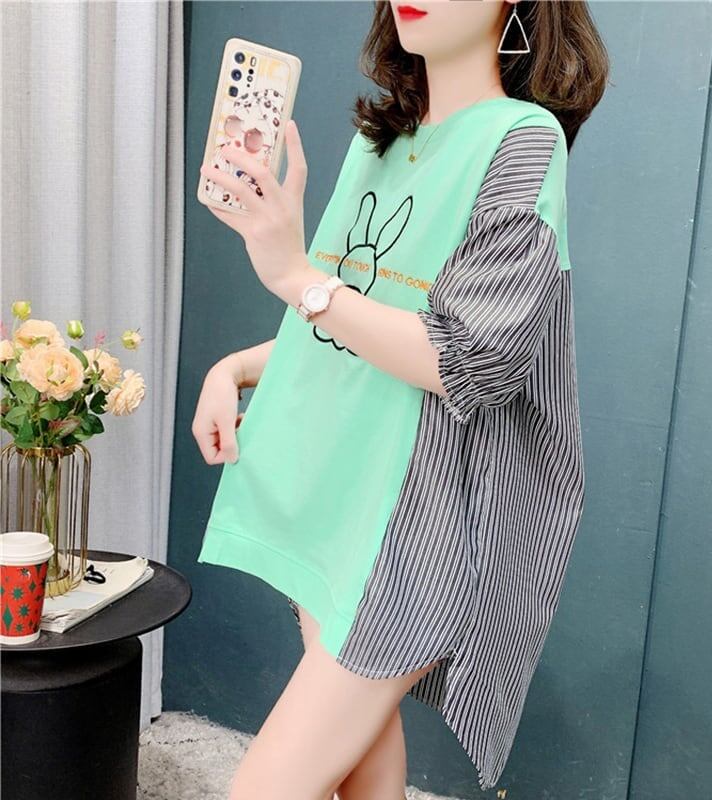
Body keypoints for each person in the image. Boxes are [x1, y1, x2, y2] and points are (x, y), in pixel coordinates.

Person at [192, 2, 608, 798]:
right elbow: (357, 327)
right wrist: (236, 368)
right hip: (337, 498)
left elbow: (470, 359)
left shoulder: (522, 139)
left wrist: (295, 276)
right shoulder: (380, 141)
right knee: (363, 780)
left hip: (411, 530)